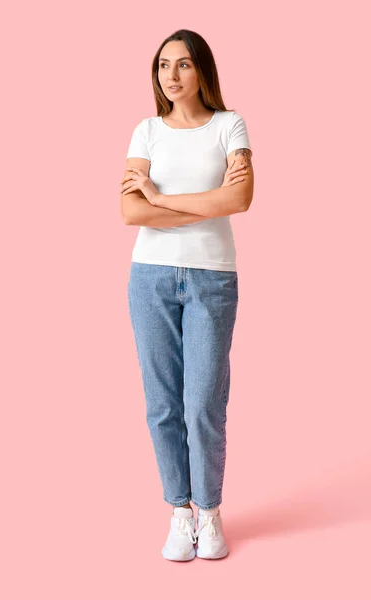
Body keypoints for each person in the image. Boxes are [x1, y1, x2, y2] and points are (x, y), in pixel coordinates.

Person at [120, 29, 254, 561]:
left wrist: (159, 196)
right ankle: (180, 511)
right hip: (149, 276)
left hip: (212, 278)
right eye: (162, 66)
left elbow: (241, 198)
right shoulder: (145, 131)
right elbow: (130, 212)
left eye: (183, 65)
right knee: (161, 405)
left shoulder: (230, 125)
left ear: (203, 71)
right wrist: (208, 201)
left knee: (203, 403)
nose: (171, 77)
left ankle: (210, 509)